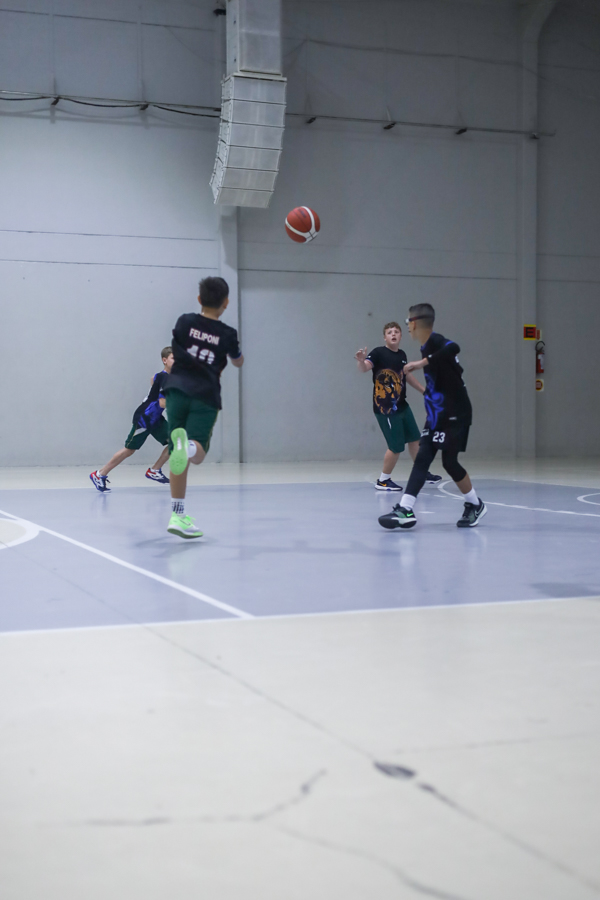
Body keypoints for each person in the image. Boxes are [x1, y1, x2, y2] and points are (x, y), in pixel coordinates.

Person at [378, 303, 486, 529]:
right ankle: (406, 509)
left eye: (407, 322)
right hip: (438, 413)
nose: (407, 327)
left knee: (449, 462)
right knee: (423, 457)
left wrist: (421, 363)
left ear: (415, 323)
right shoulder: (426, 346)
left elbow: (454, 347)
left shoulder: (436, 342)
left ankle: (475, 504)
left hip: (456, 412)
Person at [164, 276, 243, 539]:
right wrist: (236, 356)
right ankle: (187, 446)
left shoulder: (184, 321)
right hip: (204, 394)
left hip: (176, 390)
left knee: (177, 455)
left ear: (199, 299)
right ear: (226, 302)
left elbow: (178, 345)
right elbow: (237, 360)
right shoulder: (227, 334)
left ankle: (178, 515)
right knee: (196, 453)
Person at [355, 322, 441, 491]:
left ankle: (422, 472)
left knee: (415, 439)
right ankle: (383, 480)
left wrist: (424, 391)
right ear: (384, 337)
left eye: (396, 332)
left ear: (401, 336)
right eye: (389, 332)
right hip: (386, 409)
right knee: (396, 447)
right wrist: (360, 361)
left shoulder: (401, 355)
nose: (393, 334)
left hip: (402, 406)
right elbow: (365, 368)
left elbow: (405, 376)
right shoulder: (378, 353)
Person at [90, 347, 174, 492]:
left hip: (155, 418)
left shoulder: (163, 377)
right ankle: (99, 474)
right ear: (164, 360)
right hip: (145, 418)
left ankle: (154, 471)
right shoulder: (164, 378)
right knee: (129, 450)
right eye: (173, 358)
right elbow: (162, 403)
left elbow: (153, 380)